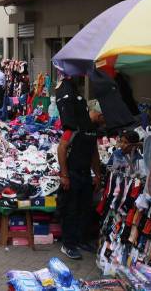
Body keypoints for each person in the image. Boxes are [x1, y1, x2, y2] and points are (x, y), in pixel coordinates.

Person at [57, 98, 104, 260]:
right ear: (98, 114)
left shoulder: (94, 129)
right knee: (70, 210)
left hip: (85, 174)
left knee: (85, 208)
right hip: (72, 173)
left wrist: (97, 174)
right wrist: (64, 175)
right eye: (103, 116)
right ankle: (68, 245)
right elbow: (61, 148)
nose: (104, 120)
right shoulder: (74, 125)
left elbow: (94, 153)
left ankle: (81, 240)